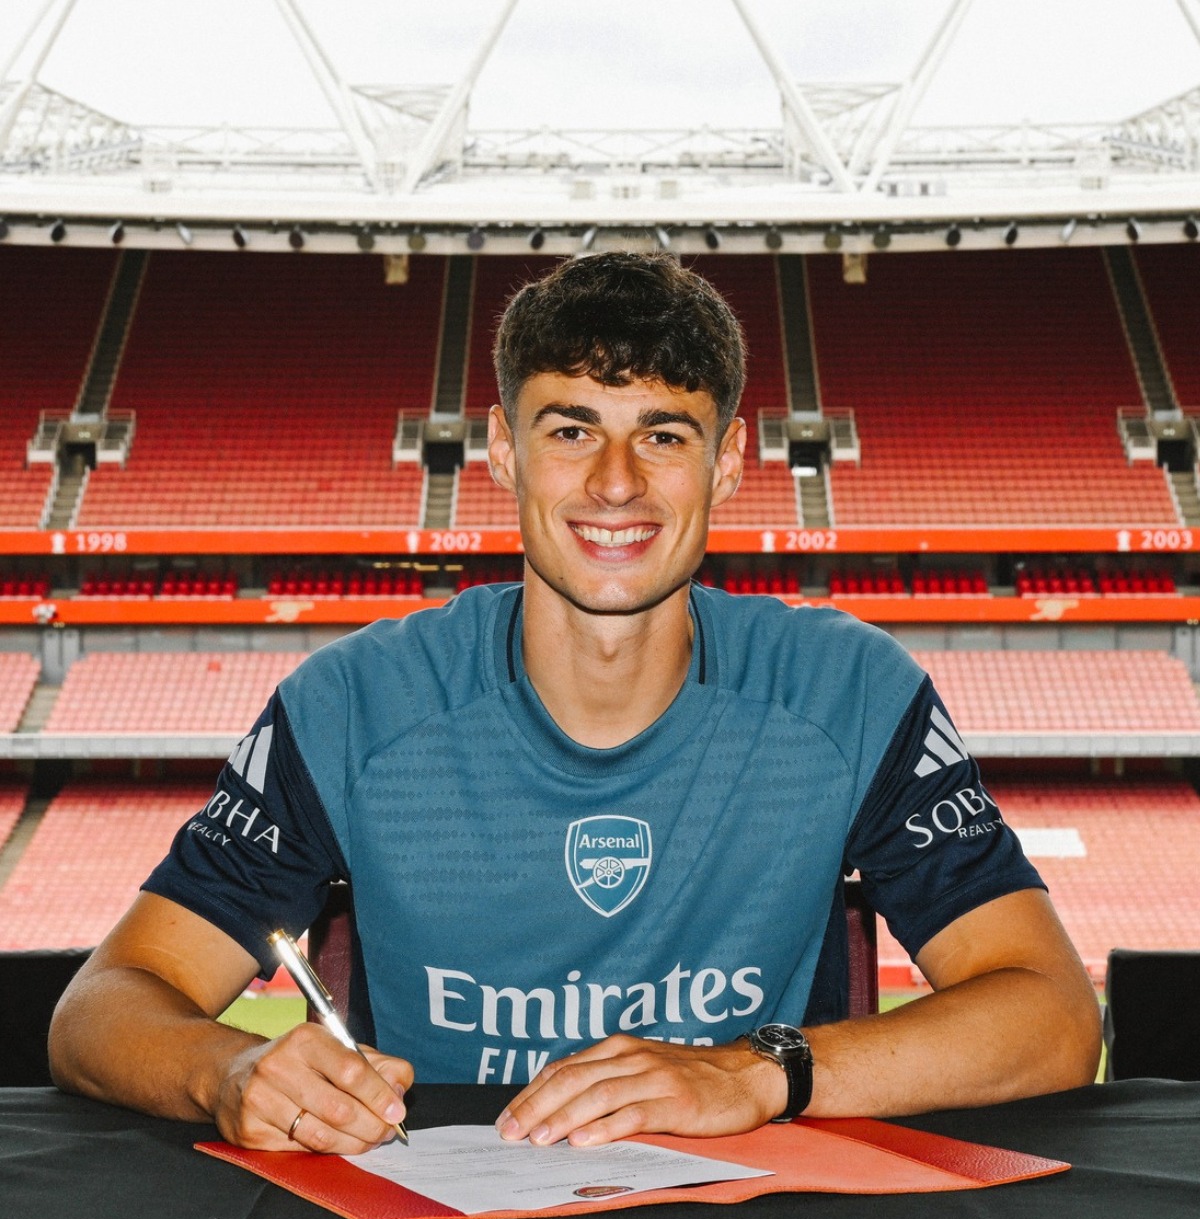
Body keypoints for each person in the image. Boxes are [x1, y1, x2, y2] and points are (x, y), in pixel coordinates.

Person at [49, 252, 1100, 1155]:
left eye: (665, 435)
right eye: (571, 430)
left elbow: (1053, 1013)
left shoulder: (848, 693)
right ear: (504, 449)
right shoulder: (354, 705)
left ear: (729, 464)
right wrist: (232, 1071)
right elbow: (103, 1006)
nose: (615, 482)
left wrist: (754, 1071)